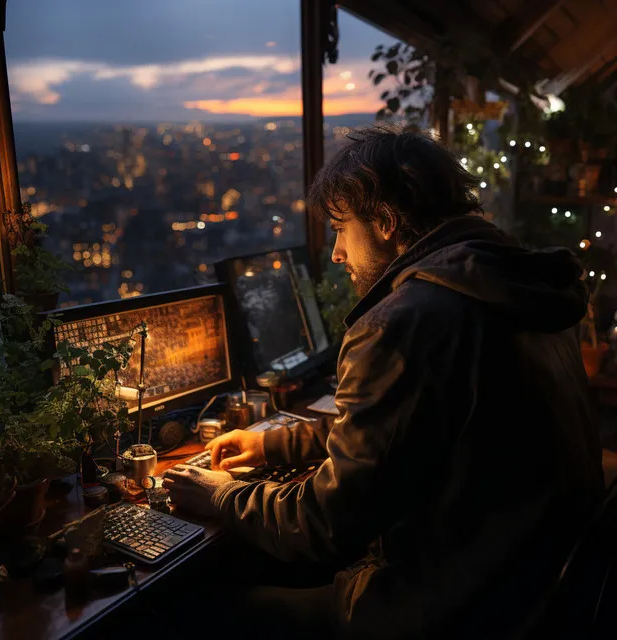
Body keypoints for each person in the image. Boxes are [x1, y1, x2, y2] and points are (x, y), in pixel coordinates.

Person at [162, 126, 604, 639]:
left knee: (203, 610)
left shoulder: (405, 321)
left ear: (387, 222)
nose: (336, 253)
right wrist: (272, 445)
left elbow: (325, 527)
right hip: (532, 587)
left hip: (451, 609)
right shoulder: (516, 288)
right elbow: (415, 429)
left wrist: (220, 498)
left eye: (340, 229)